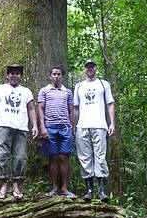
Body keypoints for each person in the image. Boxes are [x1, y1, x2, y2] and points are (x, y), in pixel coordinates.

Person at [0, 64, 38, 199]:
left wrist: (35, 126)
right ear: (7, 75)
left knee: (20, 156)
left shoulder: (26, 91)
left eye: (17, 73)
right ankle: (3, 185)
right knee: (2, 155)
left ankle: (16, 185)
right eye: (12, 73)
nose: (15, 76)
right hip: (3, 126)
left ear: (21, 76)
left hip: (21, 127)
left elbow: (31, 108)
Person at [74, 59, 115, 201]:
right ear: (84, 69)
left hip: (100, 125)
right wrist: (74, 126)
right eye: (87, 67)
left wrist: (112, 123)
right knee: (85, 158)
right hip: (82, 126)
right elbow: (76, 108)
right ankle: (89, 190)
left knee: (100, 157)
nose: (90, 69)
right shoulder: (79, 86)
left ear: (96, 69)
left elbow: (110, 103)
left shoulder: (103, 84)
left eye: (92, 67)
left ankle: (102, 191)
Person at [38, 65, 76, 198]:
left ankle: (64, 188)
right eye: (54, 74)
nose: (56, 76)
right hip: (50, 127)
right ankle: (54, 188)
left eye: (59, 74)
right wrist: (42, 127)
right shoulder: (44, 91)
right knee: (53, 157)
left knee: (64, 157)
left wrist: (72, 127)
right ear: (50, 76)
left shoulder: (68, 92)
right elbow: (40, 109)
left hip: (65, 127)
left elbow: (71, 110)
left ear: (62, 76)